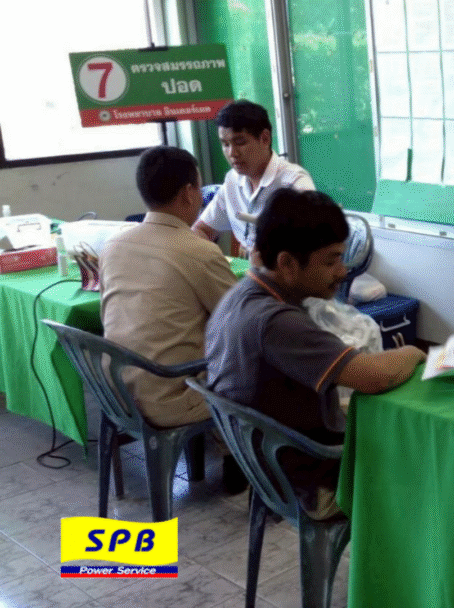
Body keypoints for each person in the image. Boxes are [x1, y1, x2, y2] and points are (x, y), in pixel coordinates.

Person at [205, 188, 426, 519]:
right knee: (435, 458)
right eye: (331, 261)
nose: (342, 271)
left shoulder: (240, 296)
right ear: (287, 264)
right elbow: (375, 376)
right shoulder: (277, 322)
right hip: (310, 479)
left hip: (267, 460)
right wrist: (415, 351)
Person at [99, 146, 244, 491]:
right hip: (169, 398)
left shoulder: (113, 245)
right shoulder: (197, 251)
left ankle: (228, 455)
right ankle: (242, 463)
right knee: (253, 356)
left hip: (115, 391)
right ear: (189, 193)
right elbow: (241, 322)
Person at [193, 99, 315, 256]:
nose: (232, 153)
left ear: (265, 139)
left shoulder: (294, 182)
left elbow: (313, 240)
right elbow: (201, 229)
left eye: (240, 142)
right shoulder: (232, 180)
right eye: (225, 144)